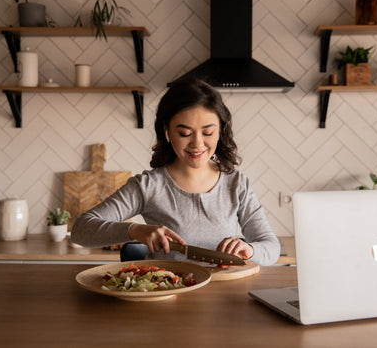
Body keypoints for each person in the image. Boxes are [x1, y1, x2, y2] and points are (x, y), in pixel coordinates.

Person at [71, 78, 280, 266]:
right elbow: (81, 230)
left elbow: (271, 248)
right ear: (167, 132)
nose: (197, 144)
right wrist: (134, 231)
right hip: (169, 299)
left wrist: (250, 250)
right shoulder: (148, 186)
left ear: (220, 131)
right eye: (184, 133)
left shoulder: (236, 184)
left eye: (208, 132)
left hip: (222, 299)